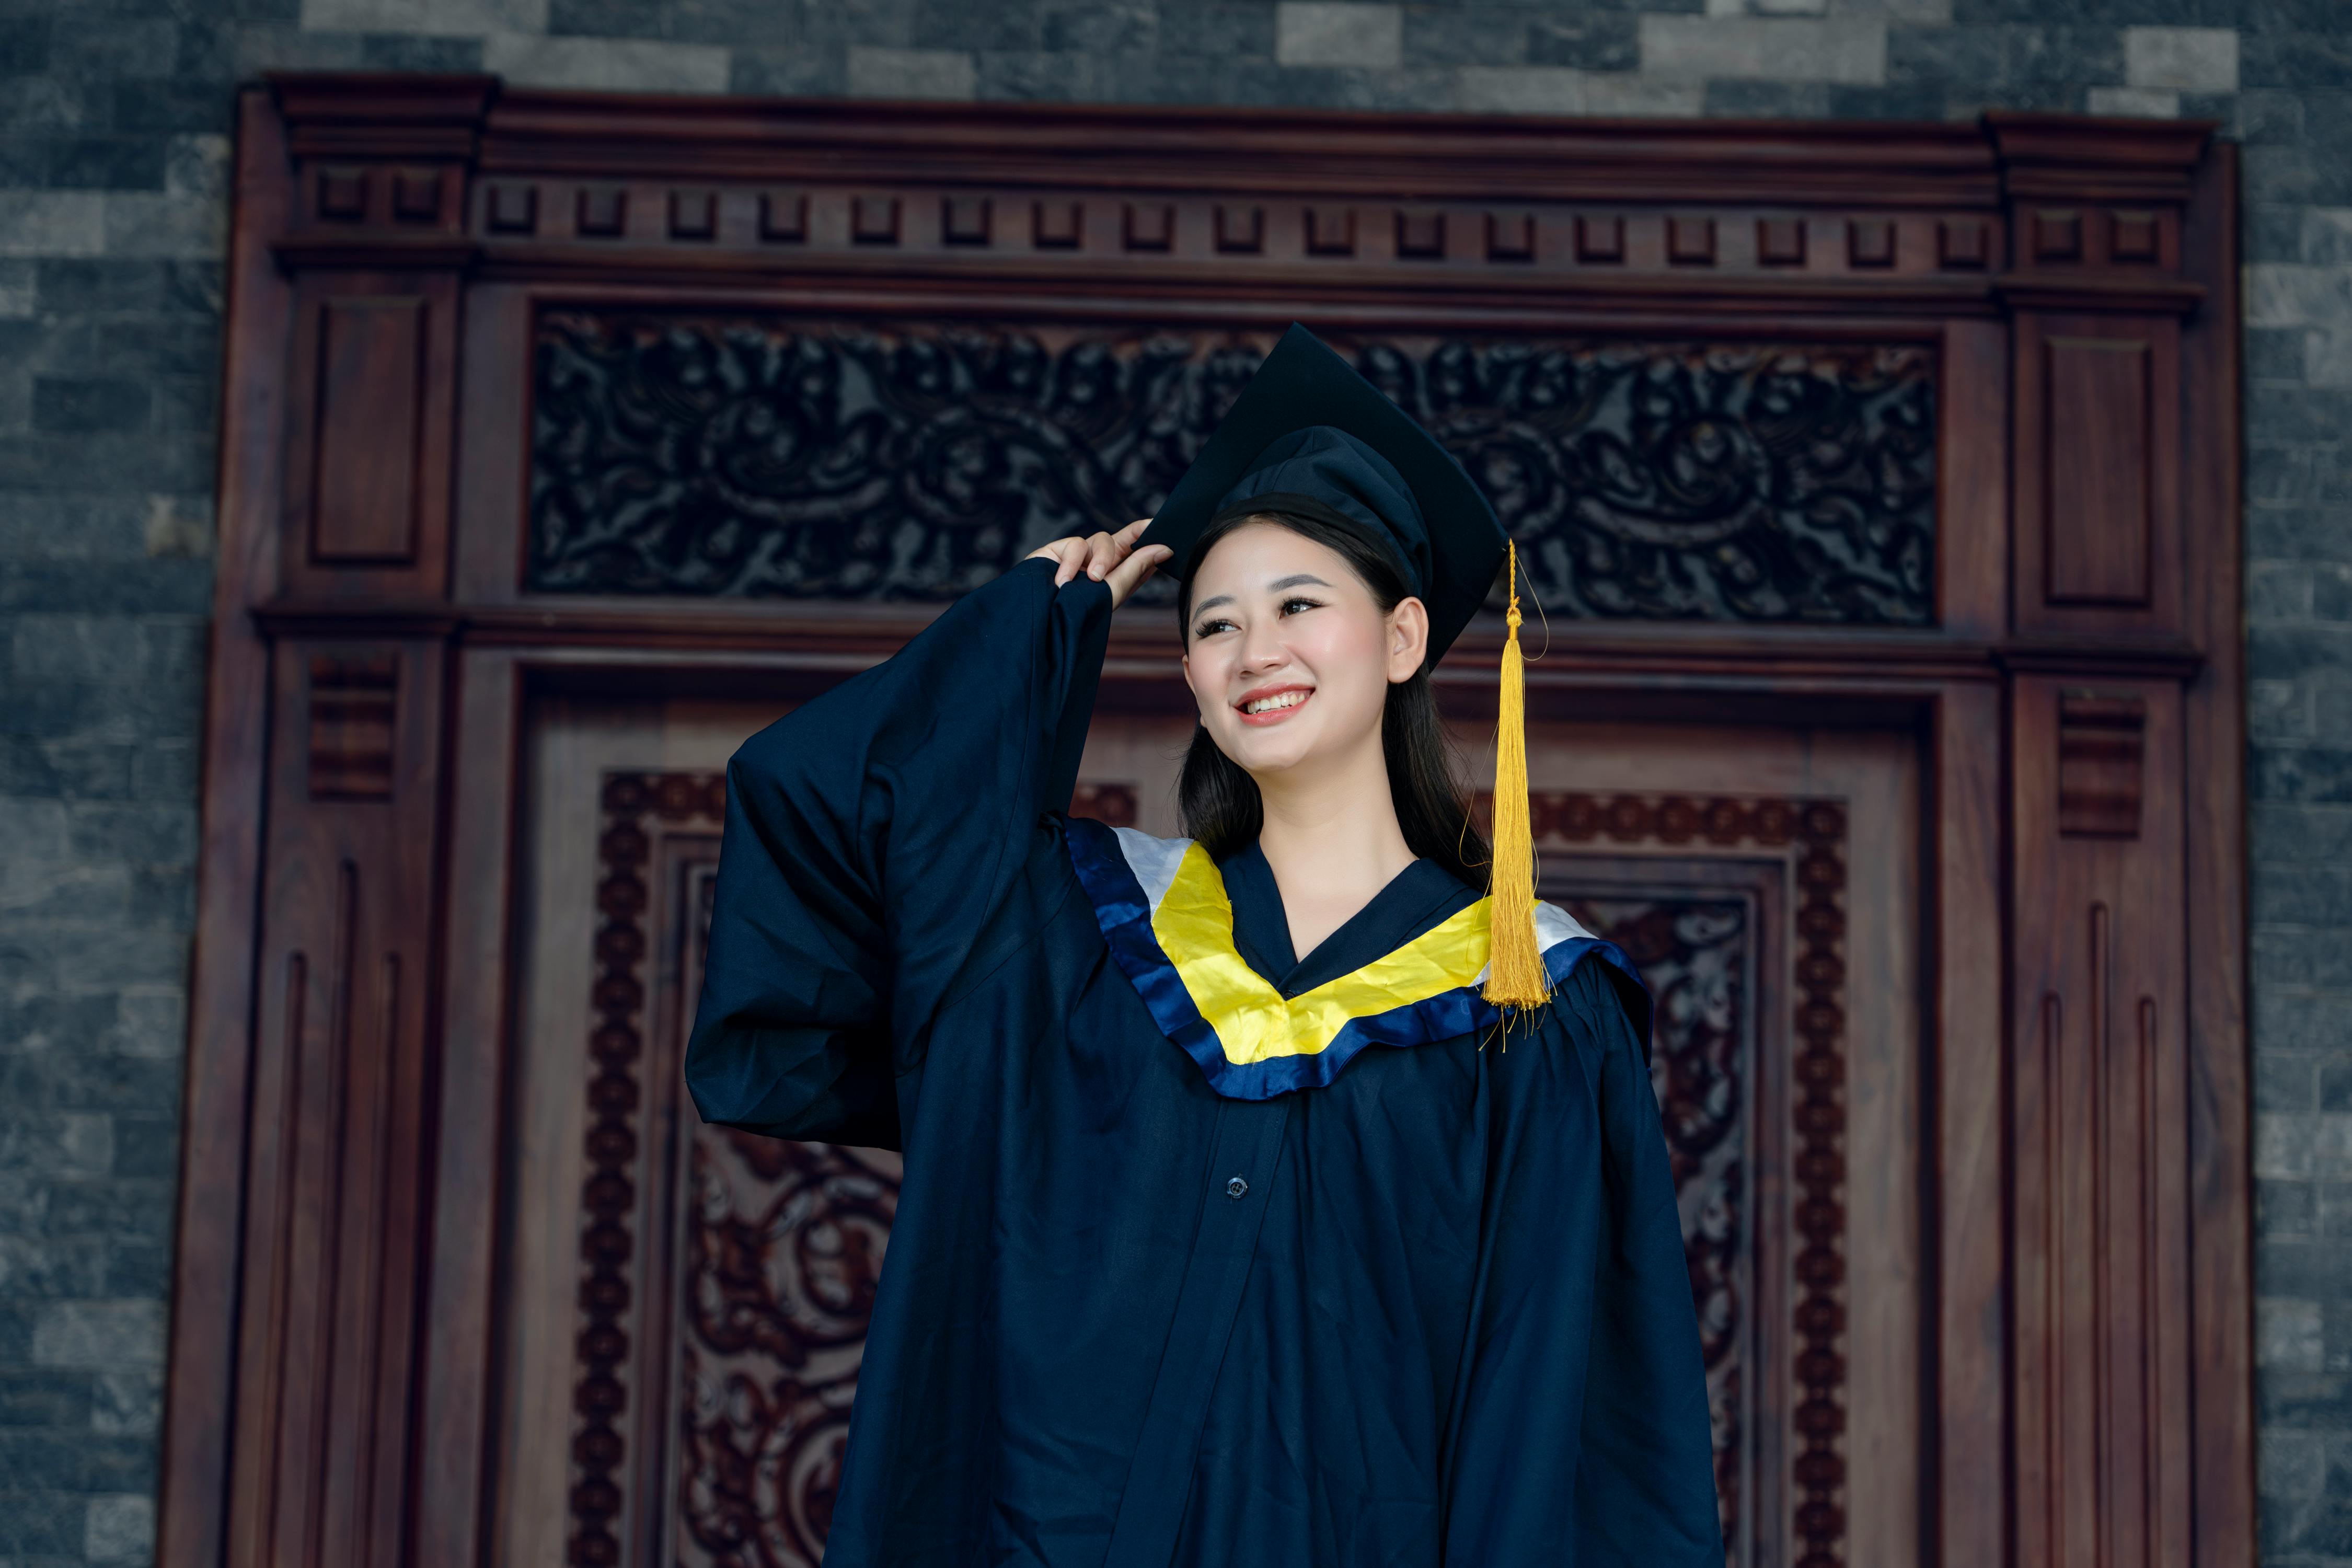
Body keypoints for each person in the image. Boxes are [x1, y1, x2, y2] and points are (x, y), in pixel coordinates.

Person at [685, 325, 1720, 1566]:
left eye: (1298, 606)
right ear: (1183, 671)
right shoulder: (1079, 944)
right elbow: (817, 808)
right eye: (1216, 625)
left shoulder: (1533, 1009)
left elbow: (1558, 1414)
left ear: (1400, 640)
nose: (1255, 653)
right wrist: (1025, 633)